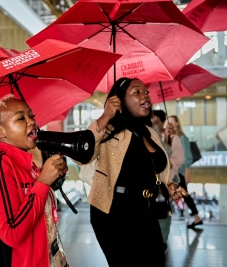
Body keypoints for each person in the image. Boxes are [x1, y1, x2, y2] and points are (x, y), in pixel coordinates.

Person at [77, 77, 187, 267]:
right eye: (136, 92)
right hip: (114, 214)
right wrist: (105, 116)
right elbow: (81, 155)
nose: (145, 95)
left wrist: (167, 185)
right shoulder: (109, 129)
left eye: (146, 91)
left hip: (147, 211)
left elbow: (150, 170)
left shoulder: (150, 132)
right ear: (119, 100)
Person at [0, 94, 68, 267]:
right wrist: (43, 182)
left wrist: (54, 177)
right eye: (20, 118)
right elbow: (12, 232)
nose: (31, 121)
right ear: (0, 131)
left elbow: (34, 203)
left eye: (31, 115)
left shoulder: (25, 162)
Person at [152, 110, 184, 253]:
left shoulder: (171, 137)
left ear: (163, 122)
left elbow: (180, 159)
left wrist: (169, 162)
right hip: (152, 182)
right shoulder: (150, 135)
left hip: (167, 181)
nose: (154, 123)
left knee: (164, 212)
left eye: (157, 121)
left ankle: (162, 241)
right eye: (152, 120)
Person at [168, 115, 203, 228]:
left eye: (172, 122)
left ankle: (197, 217)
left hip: (180, 172)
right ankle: (197, 218)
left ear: (177, 123)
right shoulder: (171, 137)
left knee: (184, 194)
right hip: (173, 172)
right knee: (182, 194)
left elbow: (187, 158)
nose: (169, 124)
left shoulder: (182, 138)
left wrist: (187, 174)